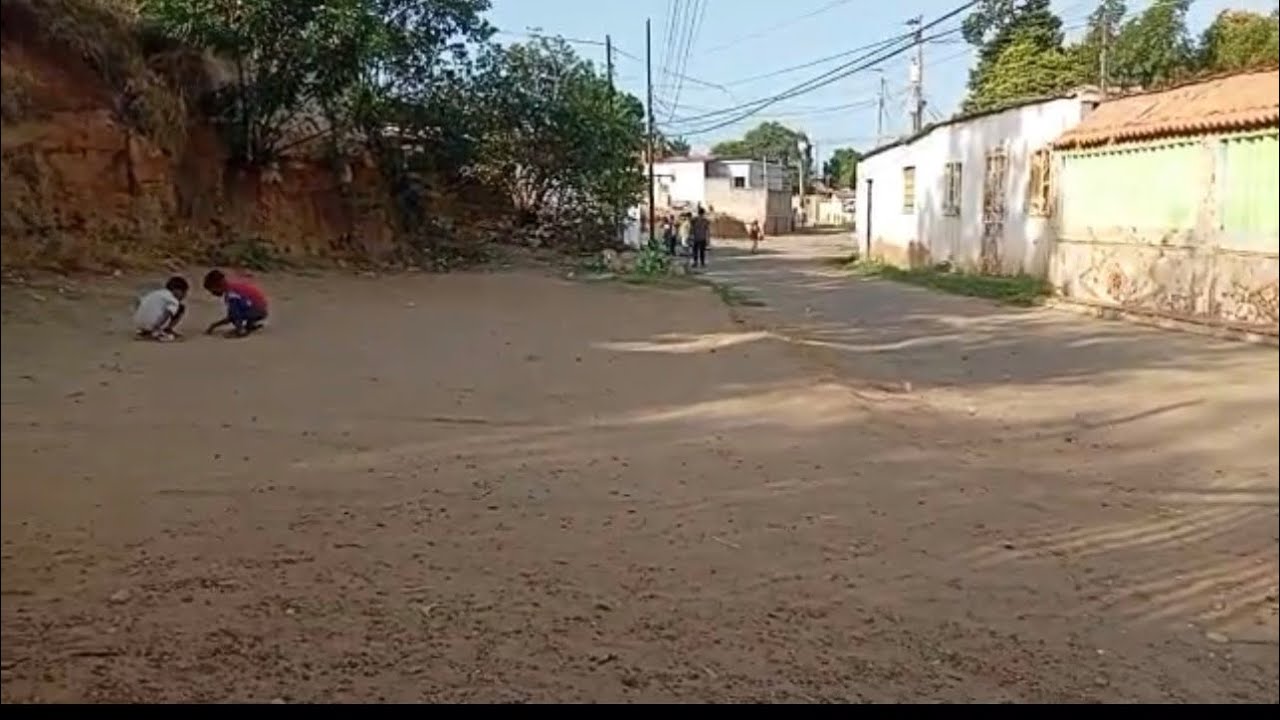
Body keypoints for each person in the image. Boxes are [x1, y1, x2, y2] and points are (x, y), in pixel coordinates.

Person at [203, 269, 269, 337]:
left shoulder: (231, 294)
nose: (213, 293)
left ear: (218, 285)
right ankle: (249, 325)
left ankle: (240, 331)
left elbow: (233, 316)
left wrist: (215, 325)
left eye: (212, 290)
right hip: (260, 308)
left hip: (258, 310)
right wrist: (215, 325)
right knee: (238, 309)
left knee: (235, 311)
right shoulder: (232, 288)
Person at [133, 275, 189, 341]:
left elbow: (140, 304)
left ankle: (144, 332)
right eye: (184, 292)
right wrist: (157, 328)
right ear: (177, 290)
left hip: (139, 324)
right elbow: (167, 313)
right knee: (181, 308)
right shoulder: (173, 300)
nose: (185, 295)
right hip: (154, 325)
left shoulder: (157, 293)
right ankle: (163, 331)